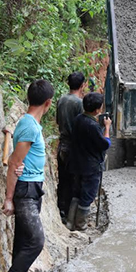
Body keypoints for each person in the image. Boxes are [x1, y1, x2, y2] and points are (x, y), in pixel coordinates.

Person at [0, 79, 54, 272]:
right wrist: (9, 198)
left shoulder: (30, 124)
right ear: (48, 103)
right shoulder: (30, 125)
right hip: (25, 189)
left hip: (32, 187)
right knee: (36, 240)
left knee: (22, 237)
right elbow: (14, 163)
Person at [67, 92, 111, 231]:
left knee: (77, 192)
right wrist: (107, 127)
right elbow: (105, 144)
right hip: (91, 166)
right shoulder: (92, 125)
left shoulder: (78, 119)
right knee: (88, 195)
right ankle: (81, 224)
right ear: (97, 109)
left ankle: (70, 222)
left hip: (77, 163)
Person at [55, 72, 85, 222]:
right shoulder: (79, 103)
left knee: (63, 180)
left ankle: (60, 210)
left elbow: (57, 121)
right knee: (74, 182)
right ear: (82, 85)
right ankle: (69, 216)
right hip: (74, 147)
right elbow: (81, 126)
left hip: (62, 145)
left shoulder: (61, 100)